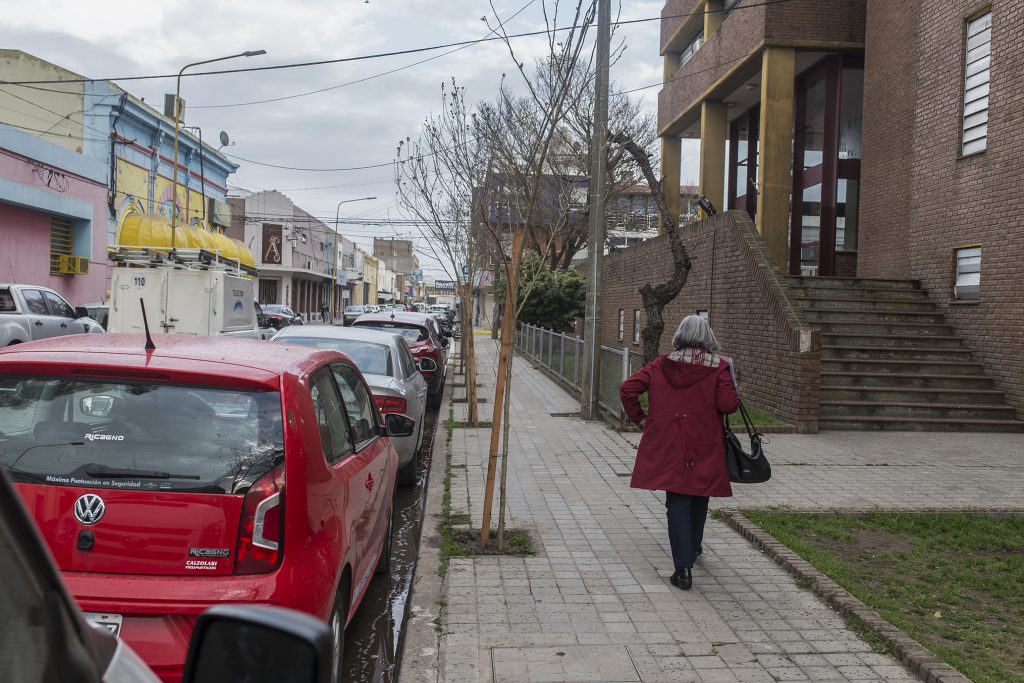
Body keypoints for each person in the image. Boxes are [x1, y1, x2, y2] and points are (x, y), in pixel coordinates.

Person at [619, 315, 740, 591]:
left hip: (670, 443)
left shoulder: (660, 364)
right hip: (705, 443)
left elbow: (628, 388)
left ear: (679, 335)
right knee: (700, 495)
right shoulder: (719, 368)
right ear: (707, 336)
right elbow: (729, 405)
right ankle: (693, 548)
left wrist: (641, 419)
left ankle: (683, 568)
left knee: (677, 500)